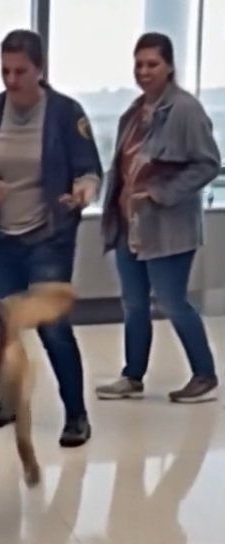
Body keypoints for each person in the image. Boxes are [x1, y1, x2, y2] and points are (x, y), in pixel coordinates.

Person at [0, 29, 103, 448]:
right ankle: (9, 403)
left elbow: (89, 171)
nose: (11, 80)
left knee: (53, 328)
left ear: (40, 69)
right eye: (5, 71)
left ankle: (76, 415)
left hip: (48, 238)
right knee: (4, 328)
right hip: (1, 240)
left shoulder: (65, 113)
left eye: (20, 71)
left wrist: (84, 192)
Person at [95, 32, 220, 404]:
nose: (144, 71)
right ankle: (132, 376)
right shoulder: (133, 113)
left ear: (169, 67)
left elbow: (208, 164)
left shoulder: (185, 110)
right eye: (139, 65)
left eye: (152, 64)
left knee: (172, 301)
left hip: (168, 229)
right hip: (129, 225)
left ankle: (204, 375)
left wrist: (161, 192)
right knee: (133, 303)